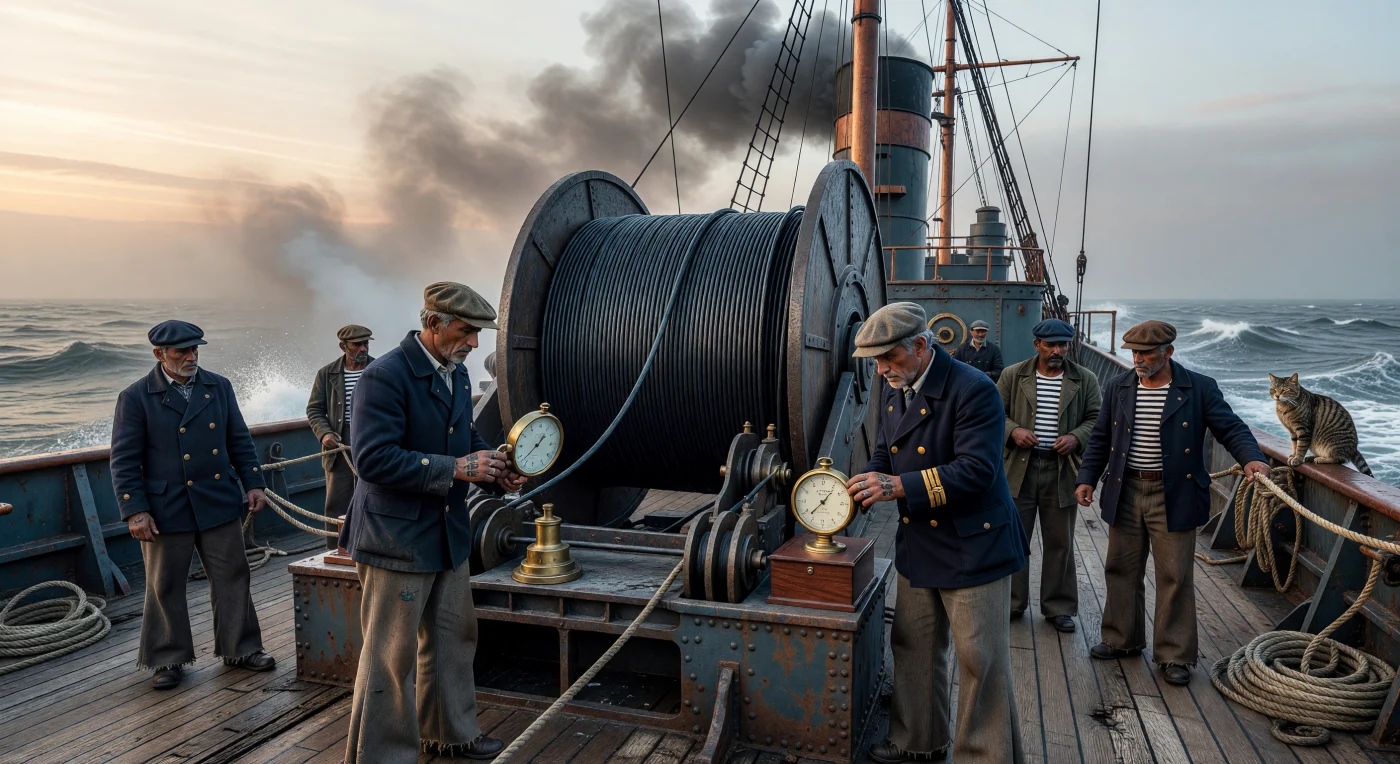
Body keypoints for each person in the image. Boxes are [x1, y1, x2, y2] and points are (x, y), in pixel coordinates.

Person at [342, 282, 527, 763]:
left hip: (446, 534)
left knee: (453, 639)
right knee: (391, 655)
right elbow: (371, 459)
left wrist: (495, 472)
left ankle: (452, 734)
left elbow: (464, 438)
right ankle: (381, 757)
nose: (475, 344)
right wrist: (456, 469)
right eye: (466, 332)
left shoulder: (456, 374)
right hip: (395, 539)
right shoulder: (383, 377)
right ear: (433, 323)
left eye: (479, 334)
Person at [846, 302, 1027, 764]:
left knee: (979, 661)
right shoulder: (895, 387)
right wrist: (867, 481)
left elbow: (977, 471)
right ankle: (918, 742)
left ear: (922, 346)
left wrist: (897, 487)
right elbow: (886, 451)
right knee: (915, 646)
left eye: (888, 358)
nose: (881, 370)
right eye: (875, 362)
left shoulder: (975, 389)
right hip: (921, 540)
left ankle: (984, 757)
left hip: (973, 545)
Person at [1075, 320, 1270, 685]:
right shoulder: (1118, 386)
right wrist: (1086, 477)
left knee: (1175, 575)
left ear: (1168, 352)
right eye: (1134, 352)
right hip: (1125, 488)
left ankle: (1175, 655)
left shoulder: (1198, 388)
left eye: (1146, 353)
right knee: (1120, 567)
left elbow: (1231, 428)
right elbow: (1101, 438)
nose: (1138, 359)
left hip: (1174, 492)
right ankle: (1120, 639)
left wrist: (1252, 459)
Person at [109, 320, 275, 689]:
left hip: (217, 498)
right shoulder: (135, 397)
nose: (191, 356)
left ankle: (242, 648)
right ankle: (168, 659)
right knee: (165, 585)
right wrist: (135, 510)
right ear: (159, 354)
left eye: (195, 349)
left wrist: (254, 483)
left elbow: (238, 439)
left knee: (233, 575)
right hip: (166, 506)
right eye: (181, 351)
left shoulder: (219, 386)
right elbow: (124, 460)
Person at [998, 319, 1100, 632]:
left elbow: (1097, 419)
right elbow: (993, 413)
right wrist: (1013, 431)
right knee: (1015, 538)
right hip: (1020, 469)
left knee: (1060, 541)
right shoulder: (1013, 375)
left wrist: (1076, 437)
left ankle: (1059, 607)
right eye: (1050, 345)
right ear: (1037, 345)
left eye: (1062, 345)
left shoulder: (1085, 379)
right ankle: (1012, 603)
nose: (1057, 351)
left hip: (1061, 470)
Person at [306, 324, 374, 549]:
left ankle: (372, 548)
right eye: (357, 344)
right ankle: (337, 550)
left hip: (374, 438)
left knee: (376, 495)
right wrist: (324, 433)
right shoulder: (326, 374)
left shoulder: (381, 369)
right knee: (338, 501)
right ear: (343, 347)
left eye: (366, 343)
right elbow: (314, 409)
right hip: (340, 441)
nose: (363, 348)